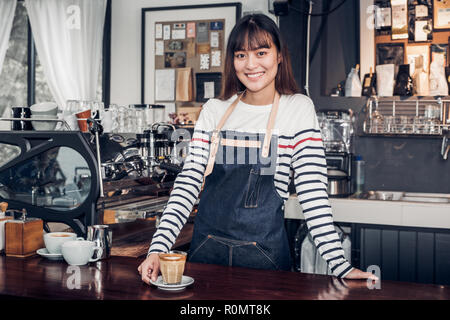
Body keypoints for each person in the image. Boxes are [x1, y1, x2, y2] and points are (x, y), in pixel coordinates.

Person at [139, 14, 378, 283]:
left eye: (261, 52)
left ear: (278, 56)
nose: (251, 64)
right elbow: (188, 183)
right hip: (207, 256)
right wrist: (158, 248)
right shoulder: (214, 110)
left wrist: (340, 265)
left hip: (265, 261)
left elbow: (313, 195)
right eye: (241, 55)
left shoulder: (296, 109)